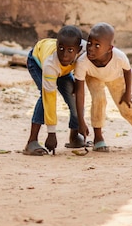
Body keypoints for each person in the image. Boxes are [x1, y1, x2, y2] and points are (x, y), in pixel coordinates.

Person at [74, 22, 132, 152]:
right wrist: (81, 121)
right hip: (93, 77)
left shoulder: (118, 56)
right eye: (89, 43)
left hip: (115, 77)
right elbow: (80, 92)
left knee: (125, 105)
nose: (91, 48)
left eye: (97, 45)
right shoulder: (83, 62)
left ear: (109, 48)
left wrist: (128, 93)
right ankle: (98, 137)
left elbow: (128, 71)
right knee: (99, 100)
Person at [23, 25, 88, 156]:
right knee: (44, 97)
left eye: (70, 50)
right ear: (57, 44)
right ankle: (31, 141)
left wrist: (81, 122)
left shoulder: (86, 51)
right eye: (61, 48)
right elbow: (50, 98)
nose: (64, 55)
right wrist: (51, 133)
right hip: (37, 62)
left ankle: (74, 137)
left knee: (74, 98)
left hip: (63, 72)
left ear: (78, 50)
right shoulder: (50, 64)